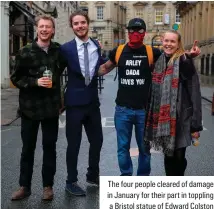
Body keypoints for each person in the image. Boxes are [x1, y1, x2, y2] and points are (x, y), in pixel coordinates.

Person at [98, 18, 200, 176]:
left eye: (139, 30)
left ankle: (142, 180)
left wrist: (189, 55)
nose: (135, 33)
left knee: (145, 150)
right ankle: (126, 177)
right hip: (122, 110)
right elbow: (104, 68)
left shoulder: (152, 52)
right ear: (128, 31)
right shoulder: (118, 51)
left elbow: (173, 57)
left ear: (144, 33)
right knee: (122, 148)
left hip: (144, 111)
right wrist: (82, 71)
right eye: (131, 30)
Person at [10, 15, 63, 201]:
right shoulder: (25, 52)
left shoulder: (58, 51)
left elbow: (67, 71)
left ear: (53, 30)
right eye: (41, 26)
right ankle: (24, 186)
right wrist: (35, 82)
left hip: (50, 109)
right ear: (37, 29)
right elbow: (15, 78)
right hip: (29, 110)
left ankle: (48, 187)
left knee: (50, 148)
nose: (44, 30)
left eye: (48, 27)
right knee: (27, 149)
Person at [145, 30, 203, 176]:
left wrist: (196, 123)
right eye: (166, 41)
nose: (169, 44)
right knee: (168, 156)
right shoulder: (160, 61)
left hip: (182, 118)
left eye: (172, 41)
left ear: (178, 44)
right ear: (162, 41)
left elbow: (194, 92)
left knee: (178, 156)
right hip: (164, 119)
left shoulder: (184, 61)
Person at [60, 10, 103, 196]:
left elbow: (99, 67)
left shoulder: (96, 45)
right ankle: (71, 181)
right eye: (76, 23)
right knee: (74, 144)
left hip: (92, 103)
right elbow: (55, 72)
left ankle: (92, 175)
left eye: (82, 22)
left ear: (88, 23)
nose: (80, 26)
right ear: (72, 26)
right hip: (74, 104)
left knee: (97, 141)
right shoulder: (66, 49)